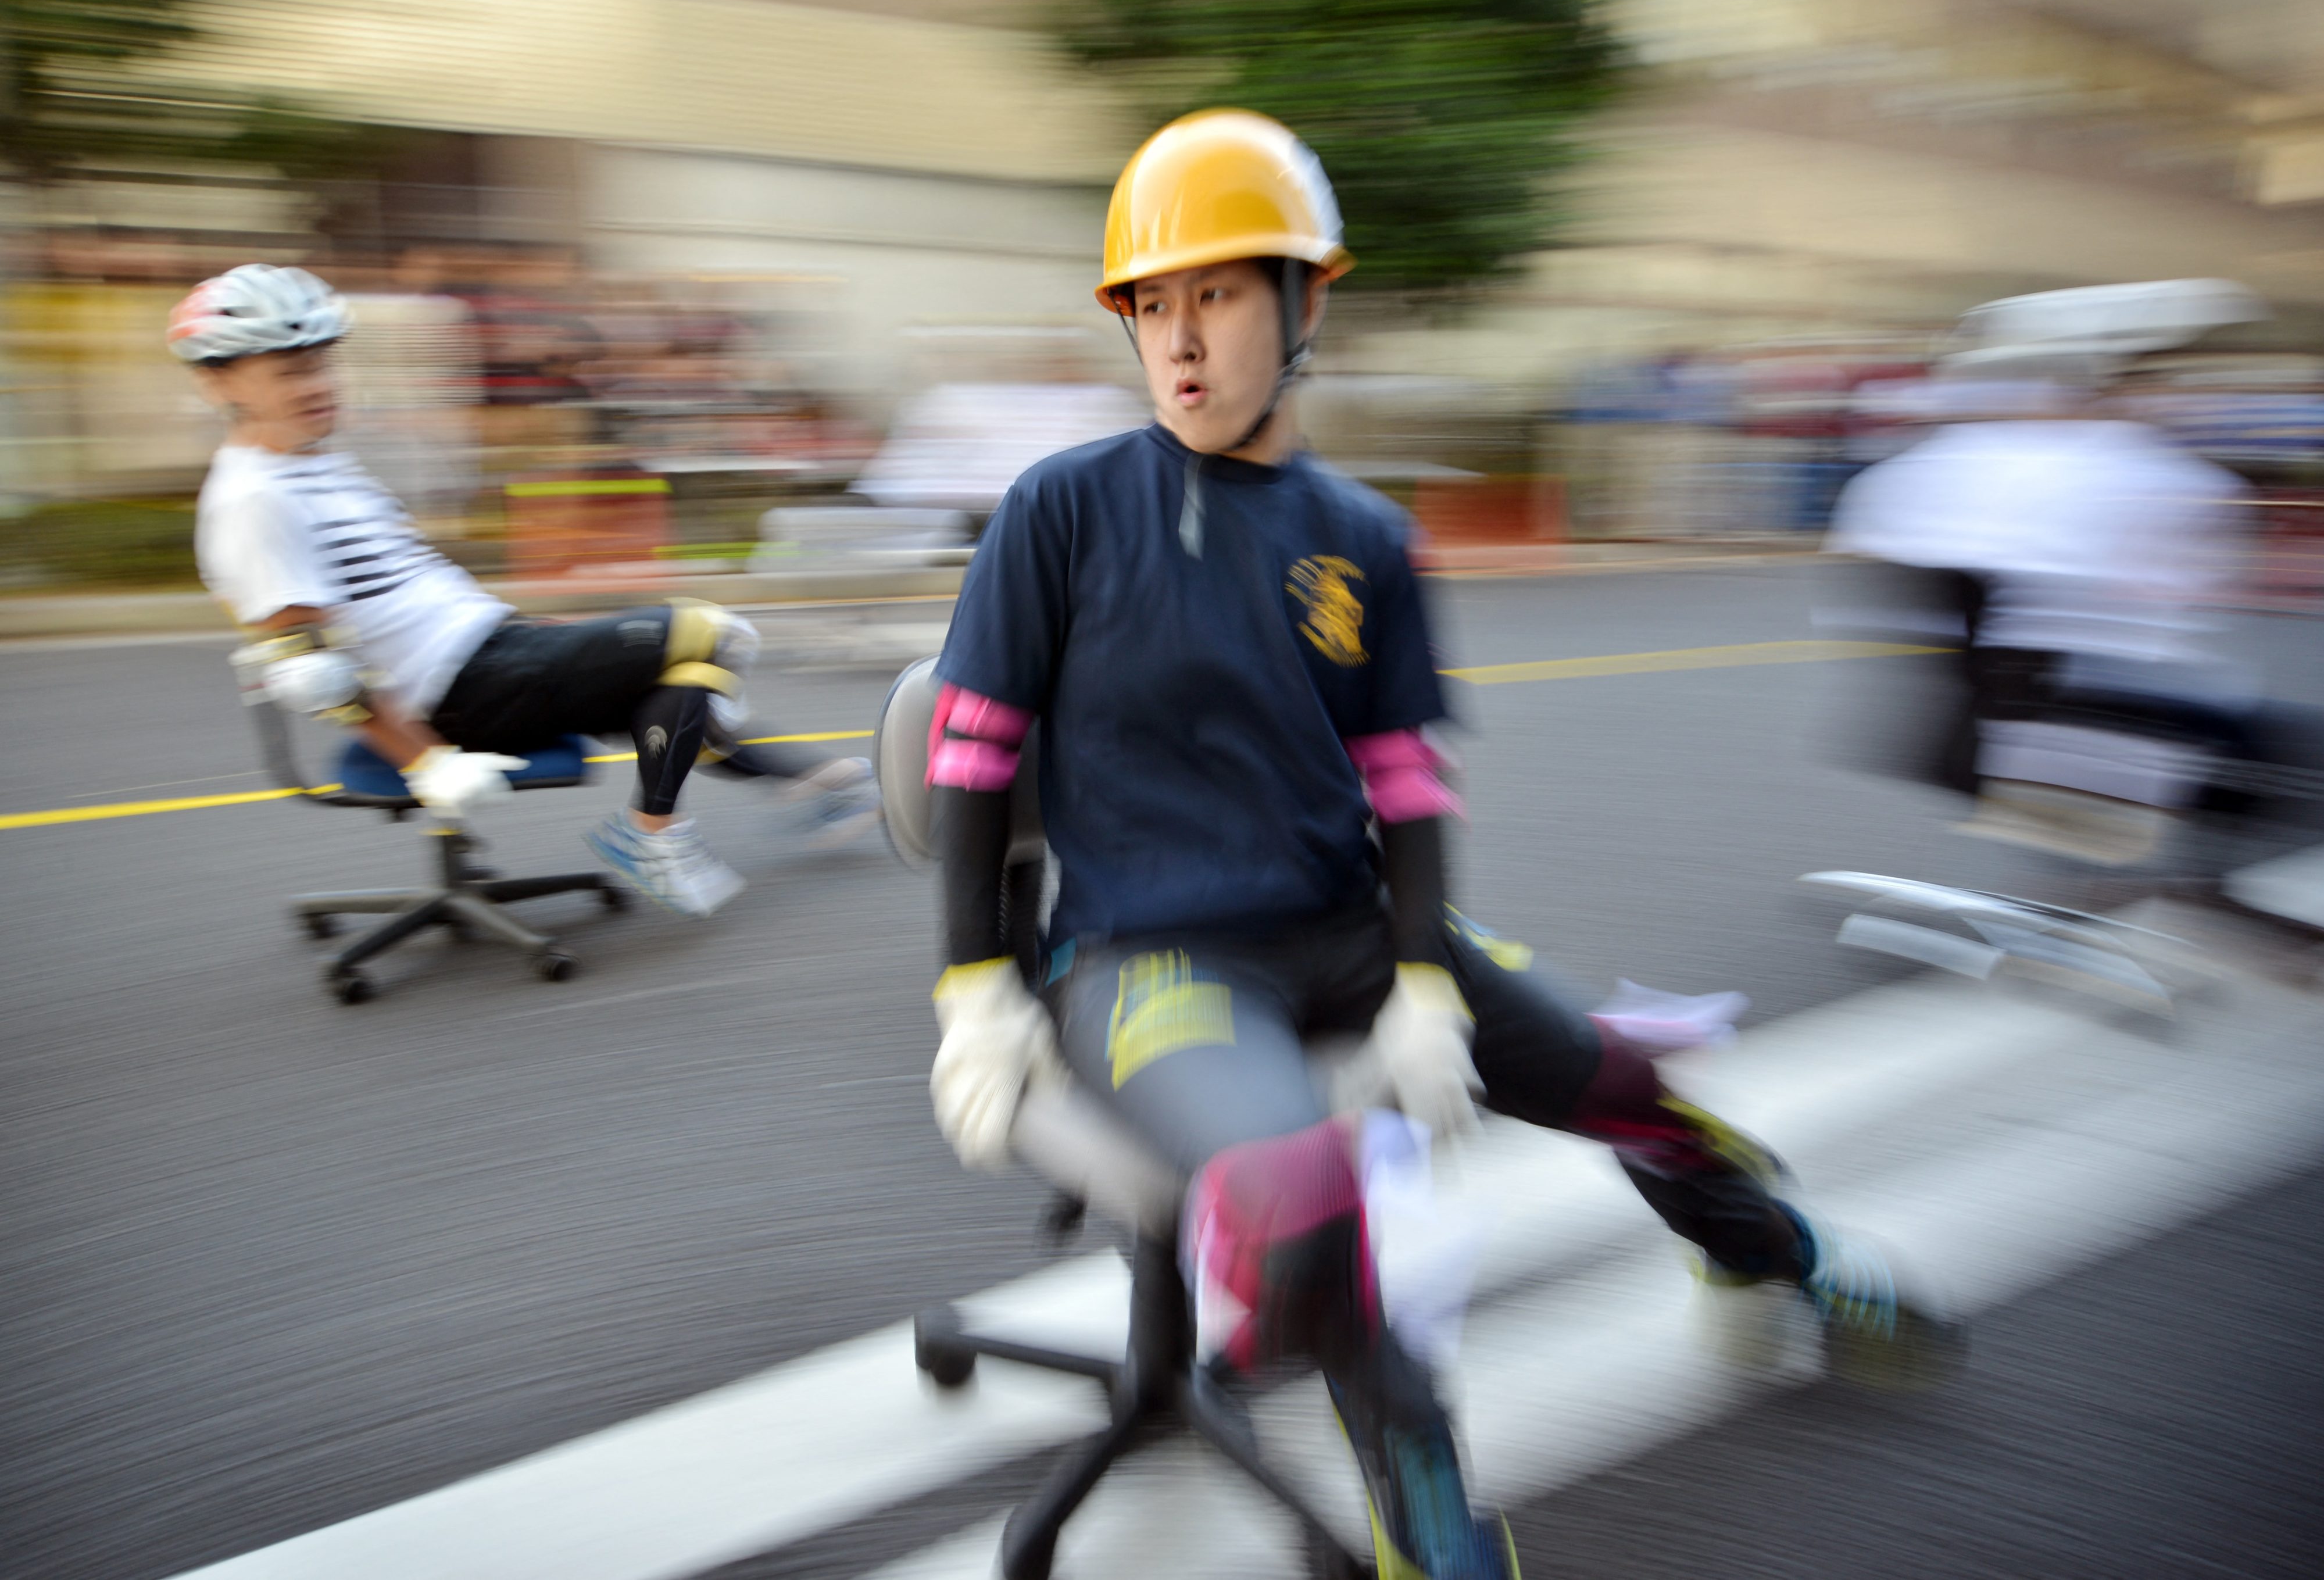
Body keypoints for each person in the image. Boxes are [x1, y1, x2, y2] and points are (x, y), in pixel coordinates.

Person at [921, 112, 1960, 1580]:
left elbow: (1404, 789)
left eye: (1213, 293)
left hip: (1347, 927)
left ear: (1306, 303)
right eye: (1150, 304)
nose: (1179, 340)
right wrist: (974, 983)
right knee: (1302, 1196)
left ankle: (1765, 1251)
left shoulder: (1367, 537)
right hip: (1159, 962)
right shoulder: (1061, 511)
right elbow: (973, 754)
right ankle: (1422, 1499)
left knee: (1626, 1076)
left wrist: (1421, 980)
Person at [174, 263, 878, 916]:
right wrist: (428, 762)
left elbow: (411, 590)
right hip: (454, 693)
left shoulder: (317, 465)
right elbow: (312, 670)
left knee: (675, 676)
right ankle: (654, 834)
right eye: (289, 369)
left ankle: (816, 784)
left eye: (322, 363)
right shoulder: (253, 500)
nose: (316, 383)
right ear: (220, 383)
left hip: (485, 653)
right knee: (702, 632)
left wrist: (522, 628)